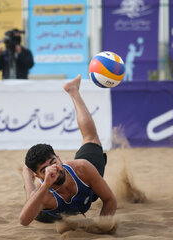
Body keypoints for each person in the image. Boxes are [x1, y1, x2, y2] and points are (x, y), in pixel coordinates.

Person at [19, 75, 117, 226]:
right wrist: (45, 185)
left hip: (87, 192)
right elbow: (24, 221)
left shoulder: (82, 168)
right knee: (32, 199)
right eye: (44, 170)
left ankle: (73, 91)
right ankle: (27, 173)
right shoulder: (44, 195)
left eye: (53, 162)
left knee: (91, 139)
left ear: (59, 158)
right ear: (39, 176)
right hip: (53, 212)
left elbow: (110, 200)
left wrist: (101, 228)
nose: (53, 169)